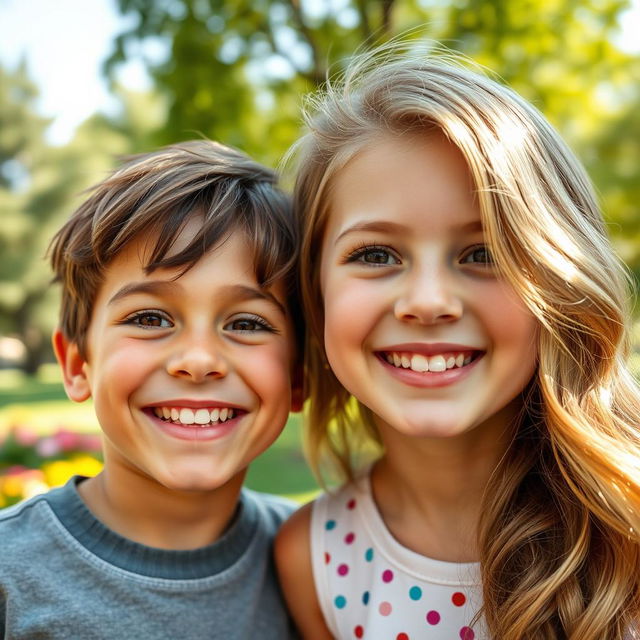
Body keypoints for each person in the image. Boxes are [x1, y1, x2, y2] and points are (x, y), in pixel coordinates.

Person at [275, 48, 640, 640]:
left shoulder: (629, 521)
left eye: (484, 254)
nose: (427, 300)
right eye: (375, 255)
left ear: (559, 280)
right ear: (314, 294)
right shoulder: (312, 561)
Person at [0, 140, 303, 639]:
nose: (199, 360)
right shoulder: (11, 576)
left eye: (247, 323)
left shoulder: (319, 563)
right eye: (149, 318)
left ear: (298, 377)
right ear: (78, 364)